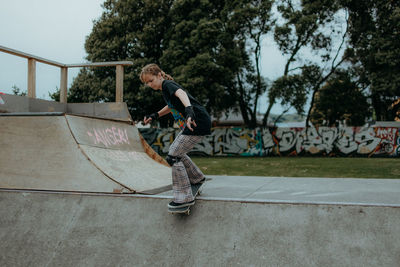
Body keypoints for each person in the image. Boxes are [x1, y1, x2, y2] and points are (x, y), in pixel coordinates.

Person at [140, 63, 211, 209]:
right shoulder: (164, 89)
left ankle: (184, 197)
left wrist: (189, 111)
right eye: (146, 83)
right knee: (177, 152)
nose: (149, 85)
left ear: (159, 75)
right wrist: (155, 115)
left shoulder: (167, 84)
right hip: (196, 122)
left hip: (197, 122)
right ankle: (196, 178)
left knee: (173, 156)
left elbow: (181, 94)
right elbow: (171, 106)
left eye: (151, 80)